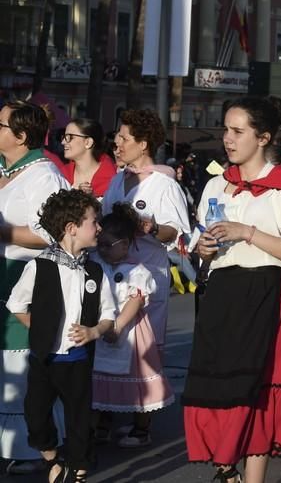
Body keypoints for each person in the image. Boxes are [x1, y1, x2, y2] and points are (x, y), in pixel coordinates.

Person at [182, 96, 281, 483]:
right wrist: (203, 249)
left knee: (256, 391)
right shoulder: (215, 185)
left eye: (238, 131)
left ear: (263, 137)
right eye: (226, 129)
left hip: (267, 292)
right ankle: (227, 468)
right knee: (218, 386)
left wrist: (247, 233)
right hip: (223, 289)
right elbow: (202, 244)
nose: (228, 138)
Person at [6, 189, 116, 483]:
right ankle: (53, 461)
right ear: (71, 229)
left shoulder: (94, 271)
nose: (99, 227)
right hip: (45, 358)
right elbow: (16, 304)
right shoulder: (39, 266)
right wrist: (40, 329)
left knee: (80, 419)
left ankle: (78, 472)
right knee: (36, 414)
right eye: (94, 221)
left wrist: (94, 330)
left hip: (78, 359)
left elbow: (109, 314)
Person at [102, 109, 190, 444]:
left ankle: (143, 425)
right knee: (110, 342)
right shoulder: (116, 179)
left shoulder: (163, 184)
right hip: (112, 275)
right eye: (117, 137)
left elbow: (176, 232)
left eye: (124, 138)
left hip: (147, 278)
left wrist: (150, 227)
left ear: (144, 144)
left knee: (144, 351)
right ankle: (105, 414)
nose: (117, 143)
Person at [0, 100, 71, 475]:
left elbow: (54, 232)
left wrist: (4, 231)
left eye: (0, 125)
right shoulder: (5, 168)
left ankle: (32, 447)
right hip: (2, 270)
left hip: (24, 274)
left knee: (20, 359)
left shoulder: (44, 174)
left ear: (21, 135)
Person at [90, 202, 174, 447]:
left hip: (131, 331)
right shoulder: (99, 264)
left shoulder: (136, 270)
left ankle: (141, 428)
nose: (103, 250)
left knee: (139, 377)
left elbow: (136, 299)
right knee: (101, 376)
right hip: (104, 327)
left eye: (109, 245)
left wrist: (118, 326)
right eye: (100, 244)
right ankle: (103, 422)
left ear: (125, 244)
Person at [60, 118, 117, 198]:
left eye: (70, 137)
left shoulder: (114, 180)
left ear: (88, 142)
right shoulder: (61, 175)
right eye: (64, 137)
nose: (63, 142)